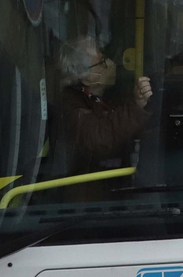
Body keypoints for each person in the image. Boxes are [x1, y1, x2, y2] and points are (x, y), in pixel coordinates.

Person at [49, 35, 153, 174]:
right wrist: (136, 106)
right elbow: (98, 139)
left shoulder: (105, 97)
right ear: (86, 77)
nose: (109, 63)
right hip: (88, 184)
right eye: (102, 61)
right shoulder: (71, 105)